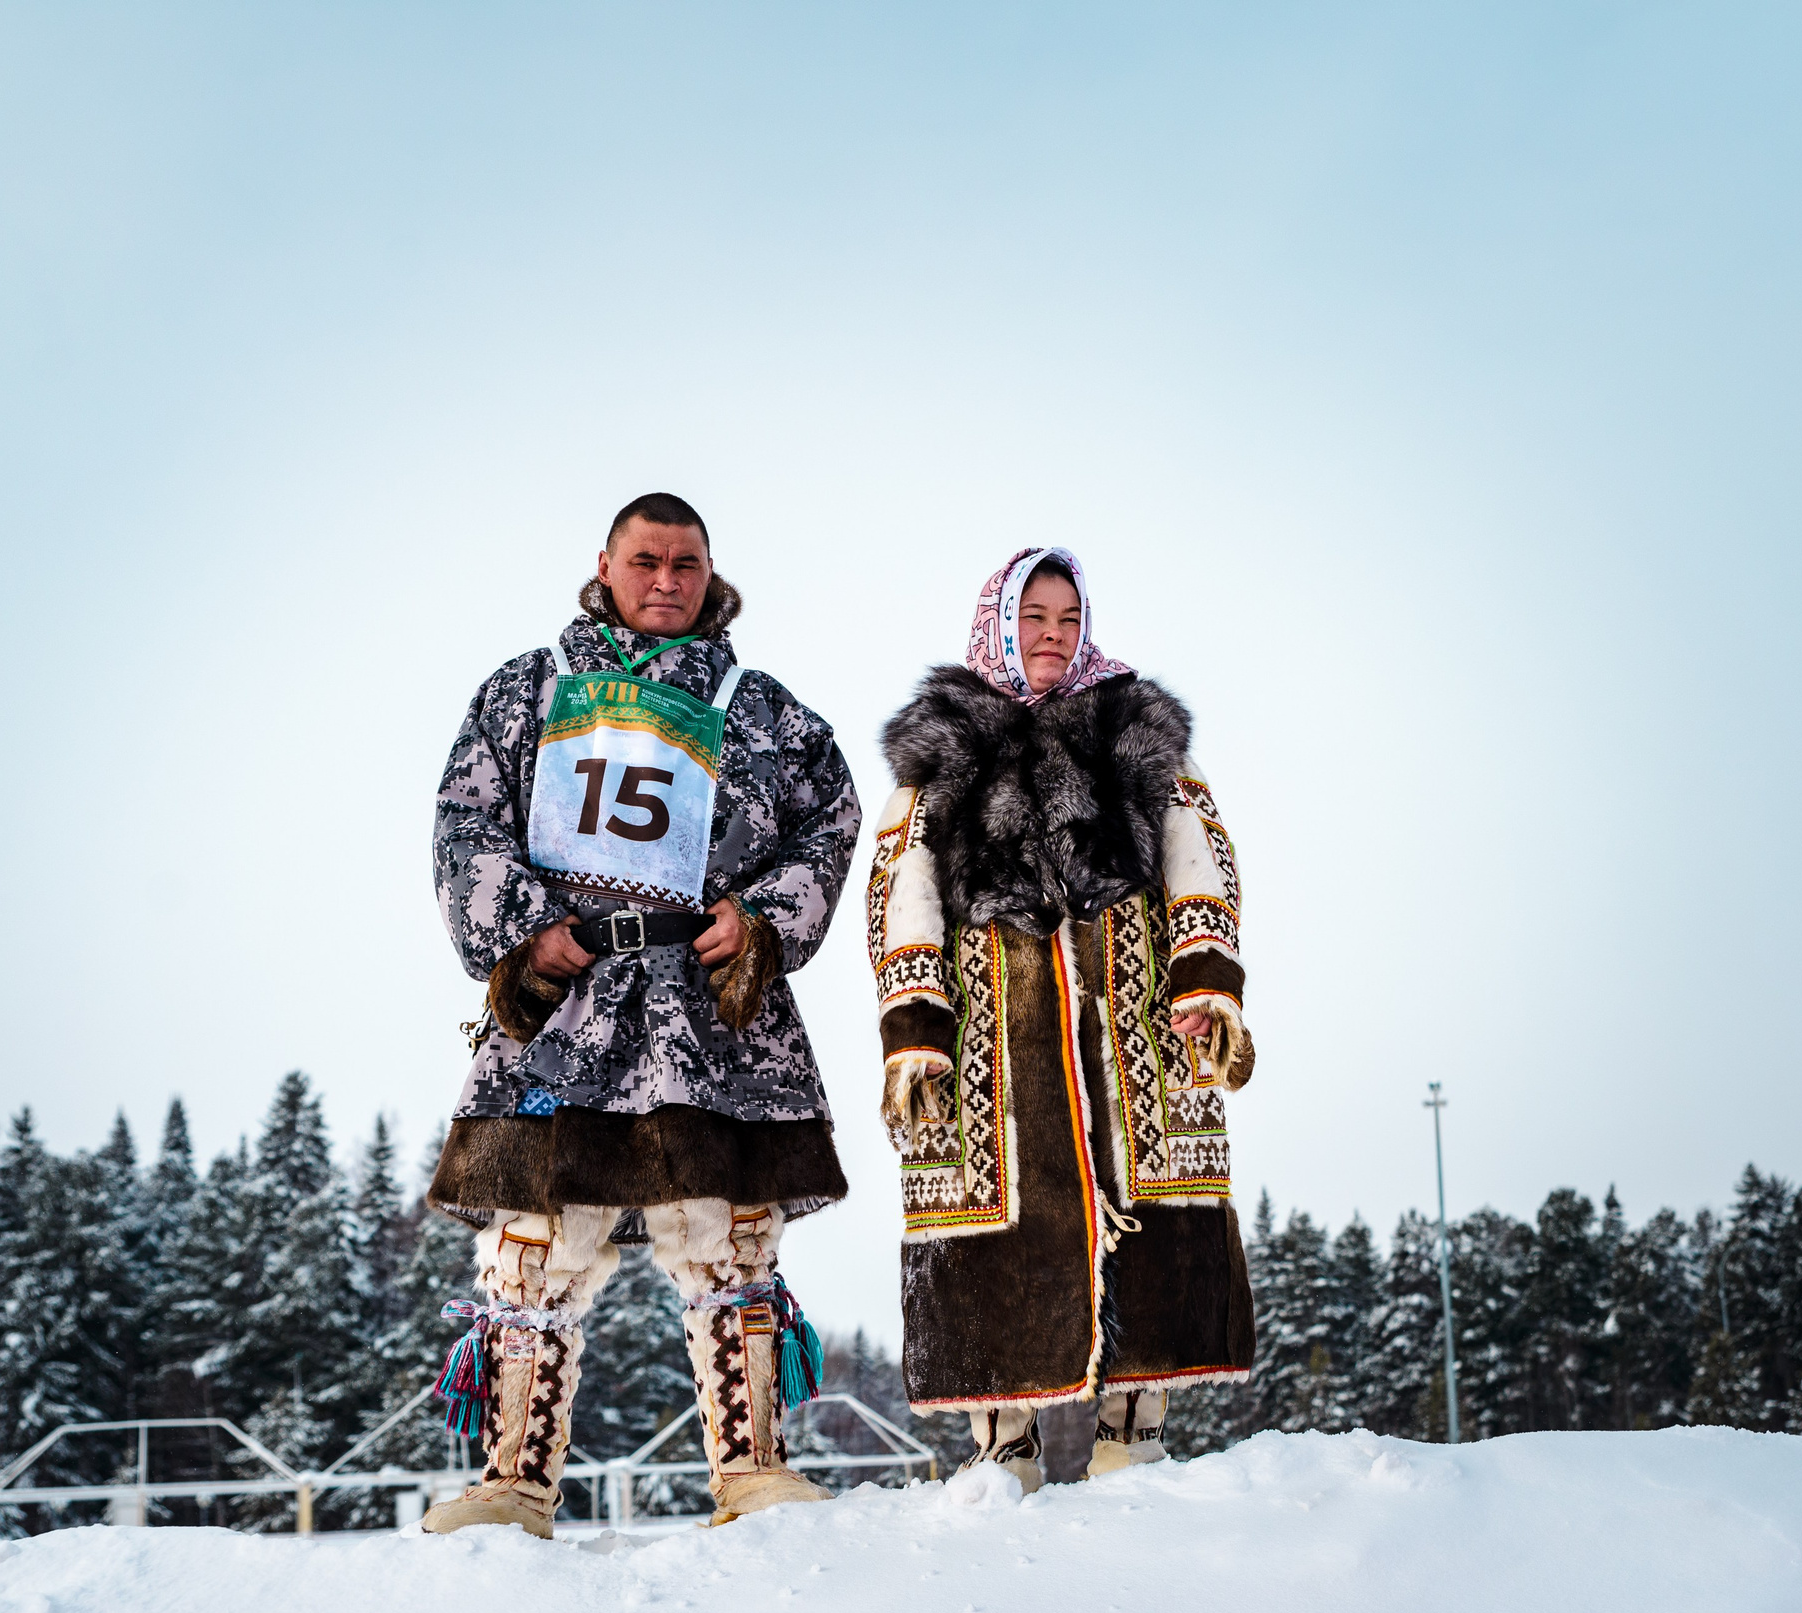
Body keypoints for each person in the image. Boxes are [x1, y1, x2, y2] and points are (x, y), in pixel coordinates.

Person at [419, 492, 860, 1535]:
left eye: (687, 563)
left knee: (726, 1233)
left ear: (712, 574)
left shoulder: (767, 709)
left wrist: (760, 919)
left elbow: (831, 823)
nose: (668, 579)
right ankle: (512, 1480)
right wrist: (527, 932)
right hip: (563, 1003)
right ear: (605, 565)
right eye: (647, 559)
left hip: (709, 1011)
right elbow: (463, 819)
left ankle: (752, 1467)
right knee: (535, 1238)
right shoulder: (527, 691)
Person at [863, 547, 1257, 1489]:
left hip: (1128, 1014)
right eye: (1033, 616)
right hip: (994, 1025)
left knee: (1144, 1200)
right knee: (996, 1216)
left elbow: (1200, 850)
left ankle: (1136, 1431)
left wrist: (1205, 975)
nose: (1050, 634)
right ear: (1000, 622)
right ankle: (1002, 1448)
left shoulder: (1134, 727)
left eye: (1067, 618)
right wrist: (914, 1021)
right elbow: (898, 880)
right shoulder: (945, 741)